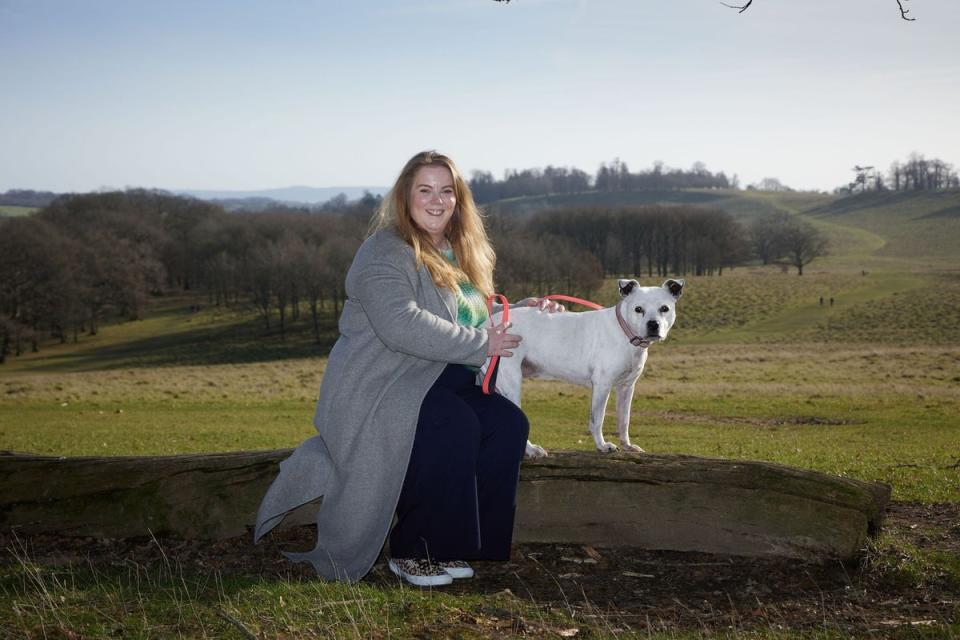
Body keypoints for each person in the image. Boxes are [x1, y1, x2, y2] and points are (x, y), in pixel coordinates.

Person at [254, 150, 562, 586]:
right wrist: (482, 344)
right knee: (452, 424)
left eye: (446, 191)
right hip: (384, 386)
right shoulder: (384, 251)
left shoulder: (459, 250)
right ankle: (415, 551)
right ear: (405, 196)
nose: (436, 200)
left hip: (441, 378)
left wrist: (524, 311)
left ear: (459, 199)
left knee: (507, 423)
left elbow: (469, 311)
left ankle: (467, 546)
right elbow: (402, 324)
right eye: (425, 190)